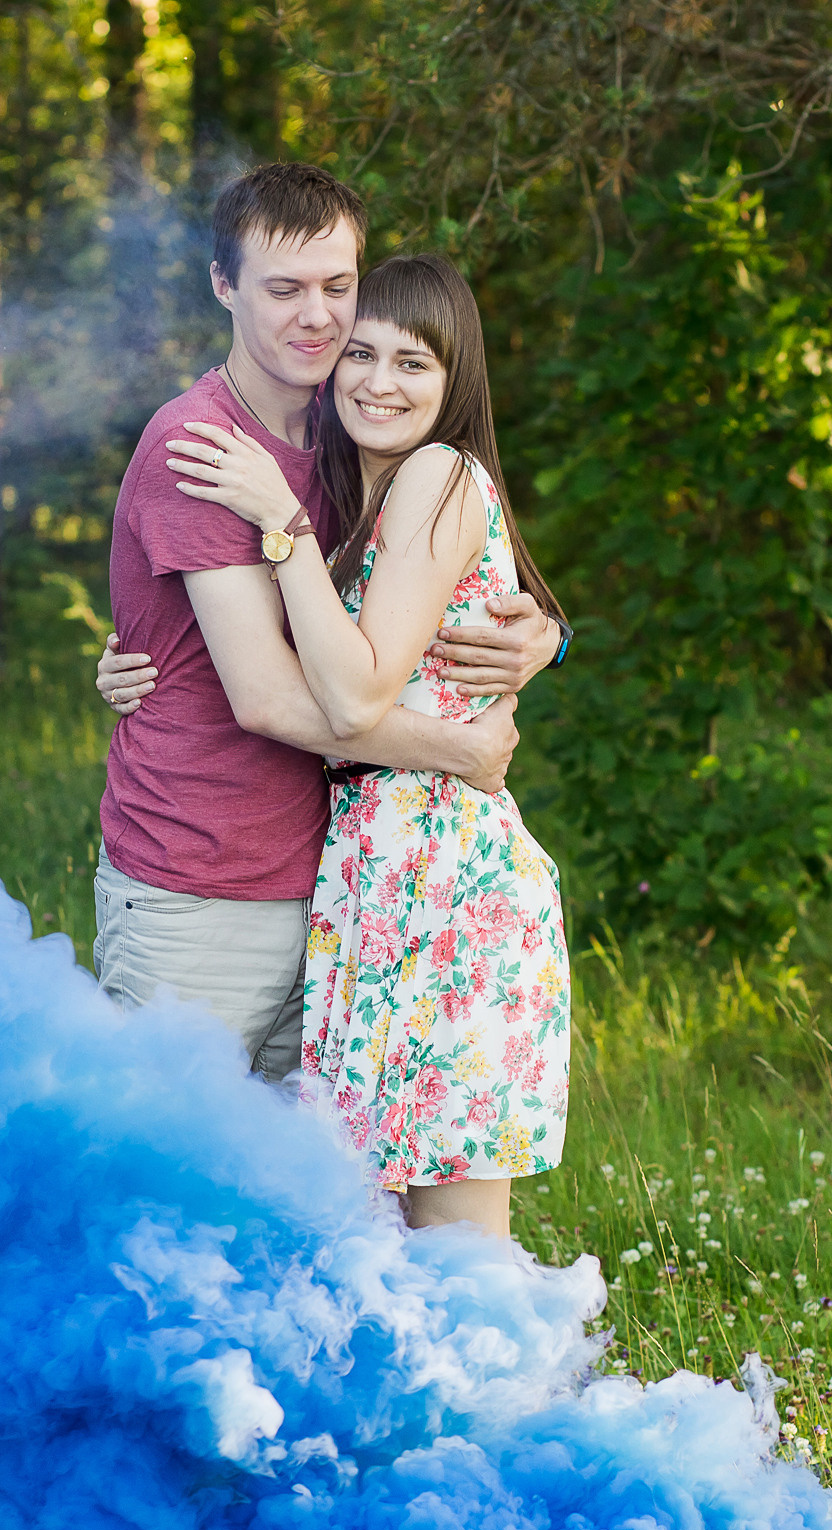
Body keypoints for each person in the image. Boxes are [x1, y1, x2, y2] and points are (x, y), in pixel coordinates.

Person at [91, 164, 561, 1090]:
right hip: (199, 886)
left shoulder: (354, 431)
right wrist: (457, 751)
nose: (317, 316)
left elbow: (437, 585)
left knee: (305, 1207)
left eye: (337, 288)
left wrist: (544, 633)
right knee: (158, 1193)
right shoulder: (202, 448)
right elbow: (268, 698)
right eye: (283, 289)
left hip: (340, 887)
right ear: (223, 286)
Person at [157, 252, 570, 1240]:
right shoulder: (376, 498)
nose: (379, 382)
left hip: (443, 873)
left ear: (454, 381)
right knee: (385, 1222)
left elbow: (353, 695)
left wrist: (281, 525)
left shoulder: (433, 473)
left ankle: (512, 1395)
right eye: (362, 354)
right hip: (379, 868)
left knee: (457, 1227)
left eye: (413, 364)